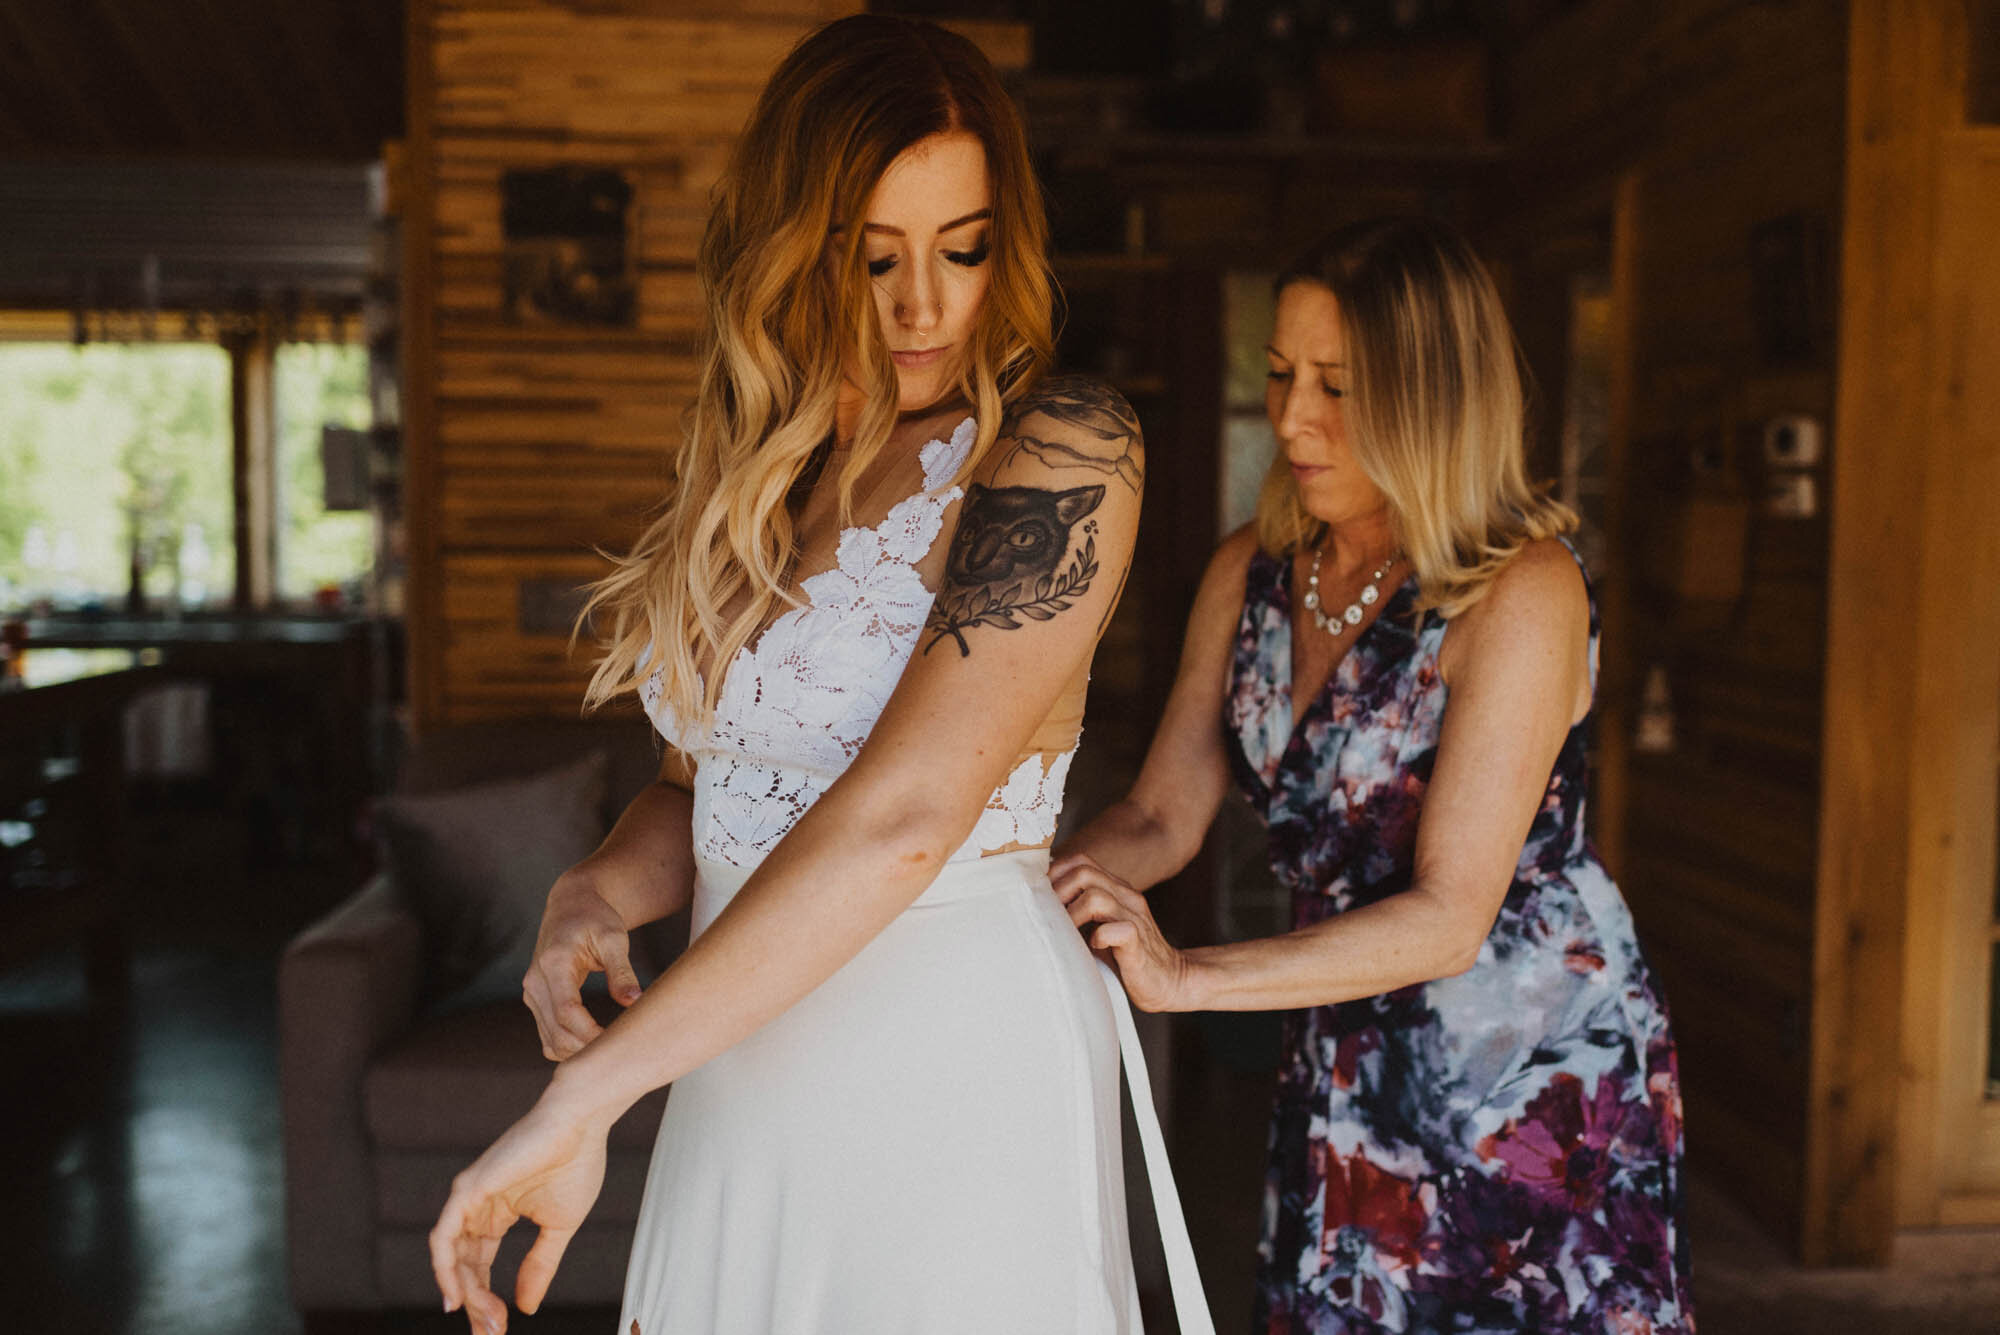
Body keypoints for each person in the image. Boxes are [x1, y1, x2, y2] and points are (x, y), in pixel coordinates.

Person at [424, 16, 1190, 1335]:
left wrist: (588, 1091)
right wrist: (589, 894)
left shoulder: (1063, 450)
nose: (925, 304)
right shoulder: (757, 478)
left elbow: (902, 820)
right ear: (792, 246)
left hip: (950, 1058)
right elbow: (698, 788)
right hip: (735, 1058)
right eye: (872, 255)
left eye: (964, 247)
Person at [1053, 216, 1694, 1334]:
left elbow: (1450, 916)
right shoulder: (1246, 572)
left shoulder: (1520, 589)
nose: (1291, 417)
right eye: (1279, 374)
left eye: (1337, 386)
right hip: (1338, 1042)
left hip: (1523, 1074)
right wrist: (1015, 891)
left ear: (1433, 397)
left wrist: (1184, 976)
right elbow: (1160, 812)